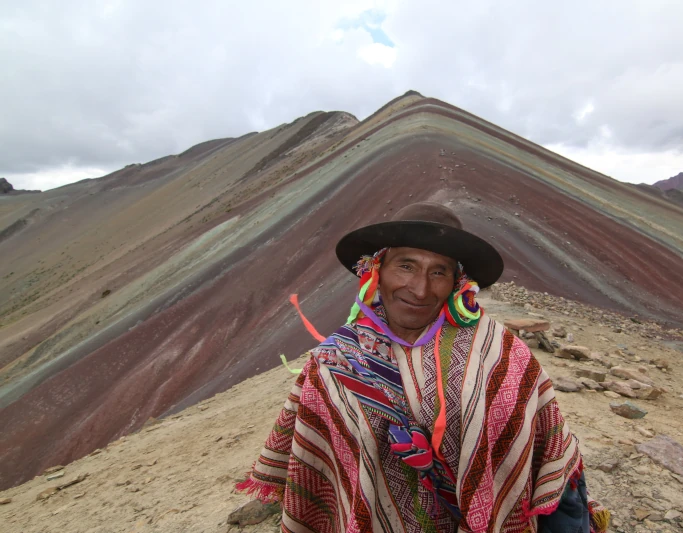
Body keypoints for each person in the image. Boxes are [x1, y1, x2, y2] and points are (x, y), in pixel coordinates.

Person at [235, 202, 609, 532]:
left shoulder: (498, 353)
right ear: (376, 271)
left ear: (456, 283)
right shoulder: (334, 361)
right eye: (406, 266)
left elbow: (541, 441)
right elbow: (318, 459)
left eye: (438, 272)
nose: (419, 289)